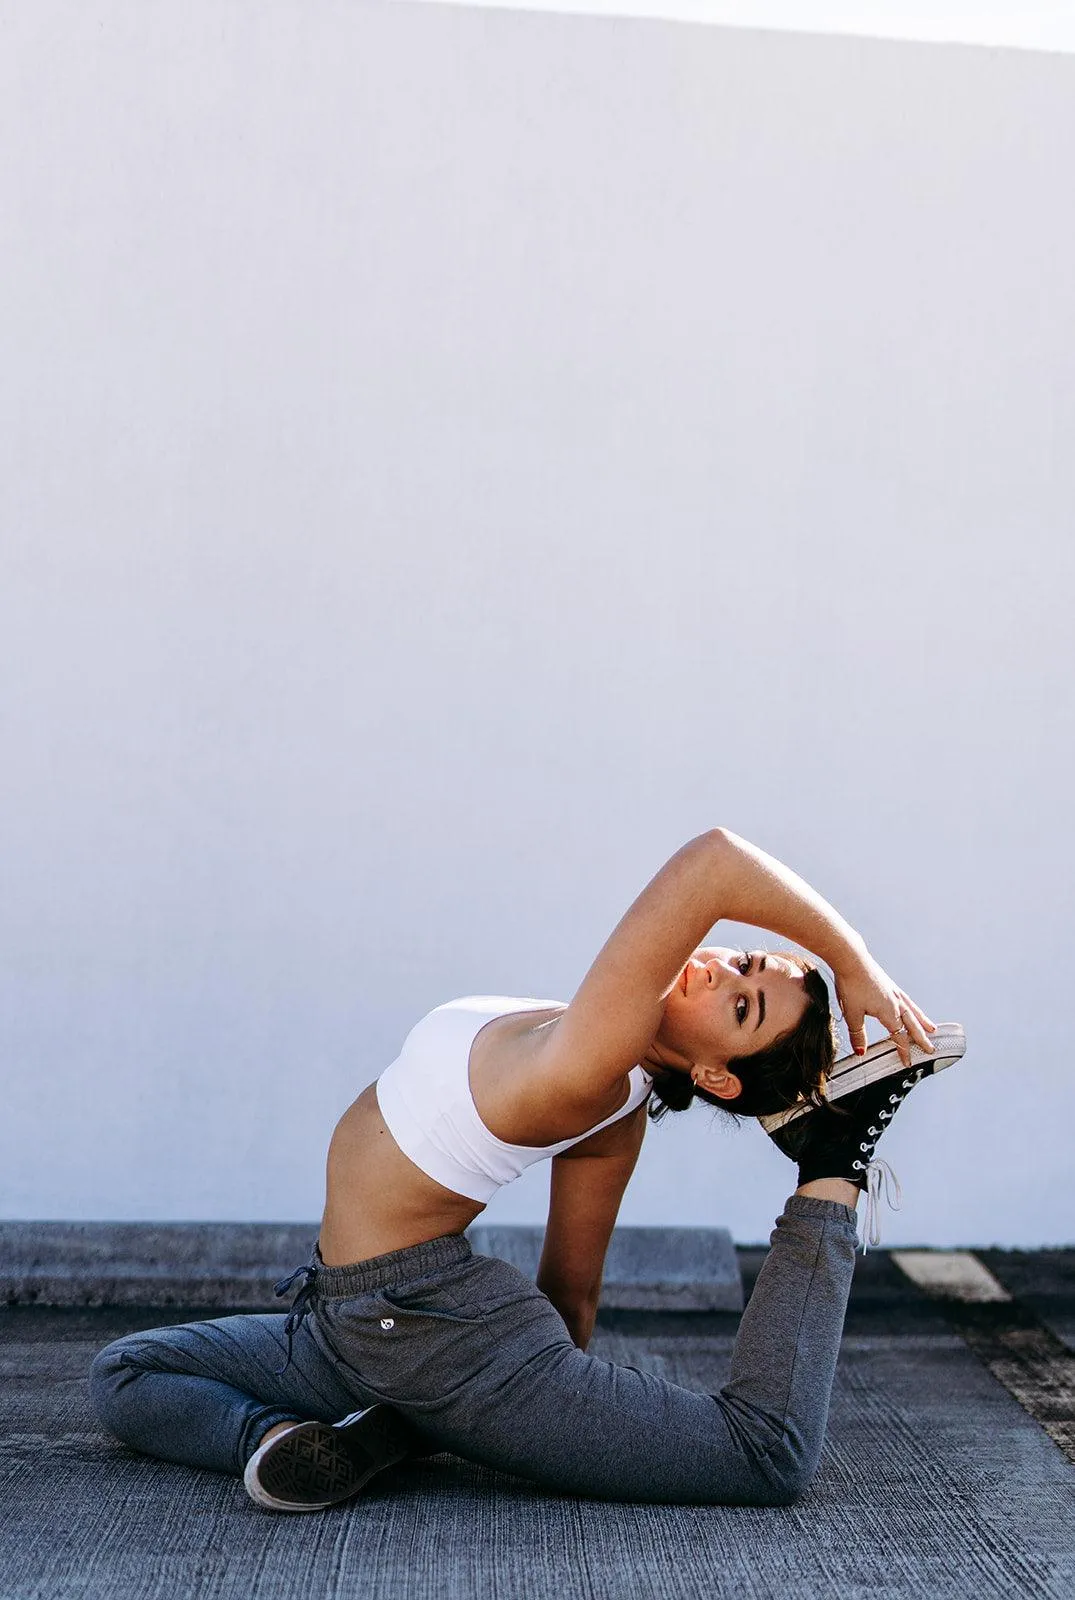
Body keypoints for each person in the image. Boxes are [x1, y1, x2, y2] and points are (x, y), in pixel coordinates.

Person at [89, 827, 957, 1513]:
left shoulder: (591, 1067)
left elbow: (713, 861)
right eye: (744, 962)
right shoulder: (606, 1085)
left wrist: (852, 966)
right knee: (127, 1373)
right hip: (354, 1326)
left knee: (761, 1454)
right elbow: (568, 1293)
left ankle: (832, 1164)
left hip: (437, 1337)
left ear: (717, 1077)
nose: (716, 968)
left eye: (738, 1006)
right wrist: (517, 1423)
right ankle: (314, 1439)